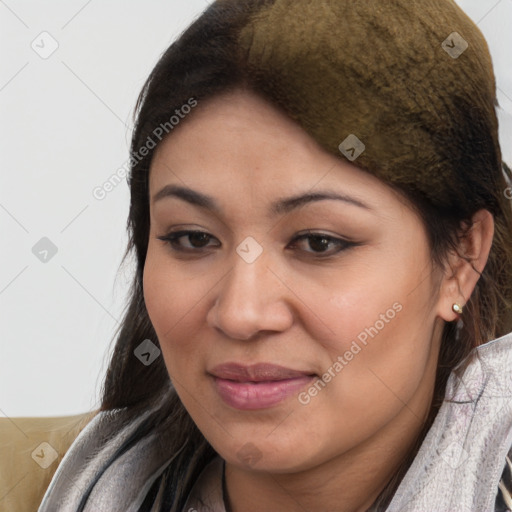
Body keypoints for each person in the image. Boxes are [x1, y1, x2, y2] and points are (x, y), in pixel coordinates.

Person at [38, 0, 512, 510]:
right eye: (194, 239)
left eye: (318, 243)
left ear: (461, 261)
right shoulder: (32, 481)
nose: (241, 314)